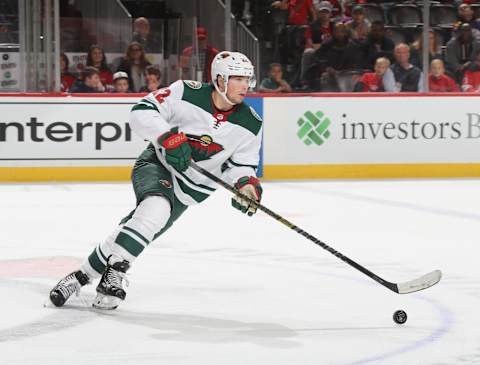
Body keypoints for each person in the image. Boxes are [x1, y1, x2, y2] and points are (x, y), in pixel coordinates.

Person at [48, 51, 263, 310]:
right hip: (157, 165)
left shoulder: (251, 122)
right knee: (156, 209)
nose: (245, 85)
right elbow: (142, 111)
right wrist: (166, 136)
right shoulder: (186, 92)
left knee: (139, 228)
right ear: (219, 79)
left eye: (247, 79)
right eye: (237, 78)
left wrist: (247, 186)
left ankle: (80, 276)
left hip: (187, 193)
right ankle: (116, 271)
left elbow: (242, 166)